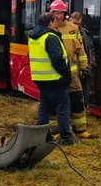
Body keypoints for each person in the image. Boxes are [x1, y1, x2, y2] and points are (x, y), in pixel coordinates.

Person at [29, 12, 75, 145]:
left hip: (40, 78)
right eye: (54, 21)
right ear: (50, 23)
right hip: (56, 79)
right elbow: (57, 59)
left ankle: (42, 136)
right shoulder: (50, 37)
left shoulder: (33, 37)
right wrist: (65, 74)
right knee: (63, 108)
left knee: (44, 107)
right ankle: (66, 138)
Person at [52, 0, 95, 140]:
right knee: (55, 103)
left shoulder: (73, 28)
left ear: (65, 13)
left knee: (77, 101)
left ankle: (80, 130)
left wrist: (84, 67)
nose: (59, 16)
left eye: (61, 13)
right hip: (55, 74)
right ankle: (54, 131)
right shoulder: (49, 28)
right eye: (56, 13)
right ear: (52, 13)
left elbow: (81, 51)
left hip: (73, 74)